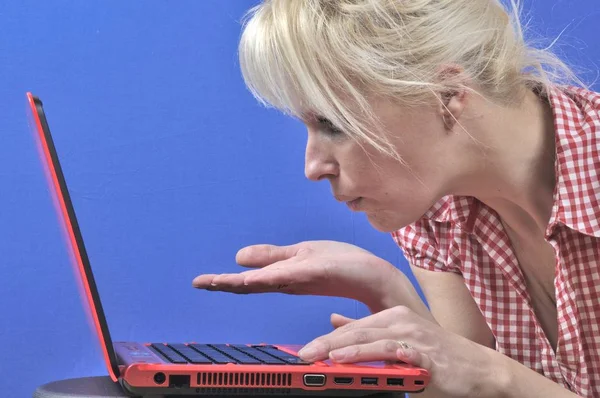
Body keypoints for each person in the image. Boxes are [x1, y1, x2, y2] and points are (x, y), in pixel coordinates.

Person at [192, 1, 600, 397]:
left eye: (334, 123)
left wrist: (495, 373)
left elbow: (481, 377)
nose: (313, 167)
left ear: (446, 93)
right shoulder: (431, 204)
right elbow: (458, 384)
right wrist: (384, 289)